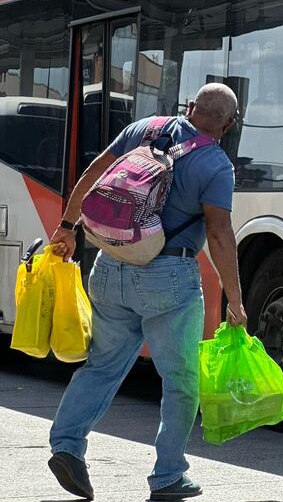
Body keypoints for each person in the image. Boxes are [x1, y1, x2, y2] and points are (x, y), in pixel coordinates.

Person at [45, 83, 248, 501]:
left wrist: (67, 228)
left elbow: (91, 175)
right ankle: (168, 475)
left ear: (190, 107)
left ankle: (66, 445)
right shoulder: (215, 164)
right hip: (167, 276)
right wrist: (235, 299)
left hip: (110, 265)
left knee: (101, 366)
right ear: (227, 126)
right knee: (180, 381)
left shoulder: (146, 129)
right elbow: (219, 233)